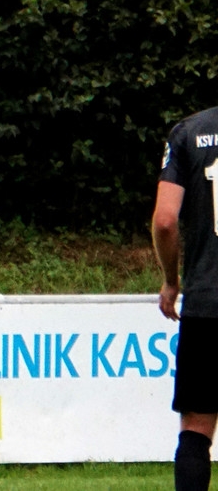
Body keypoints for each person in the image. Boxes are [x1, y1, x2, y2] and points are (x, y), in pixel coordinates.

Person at [153, 105, 218, 491]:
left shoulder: (189, 133)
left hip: (207, 303)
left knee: (196, 427)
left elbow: (165, 220)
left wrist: (171, 280)